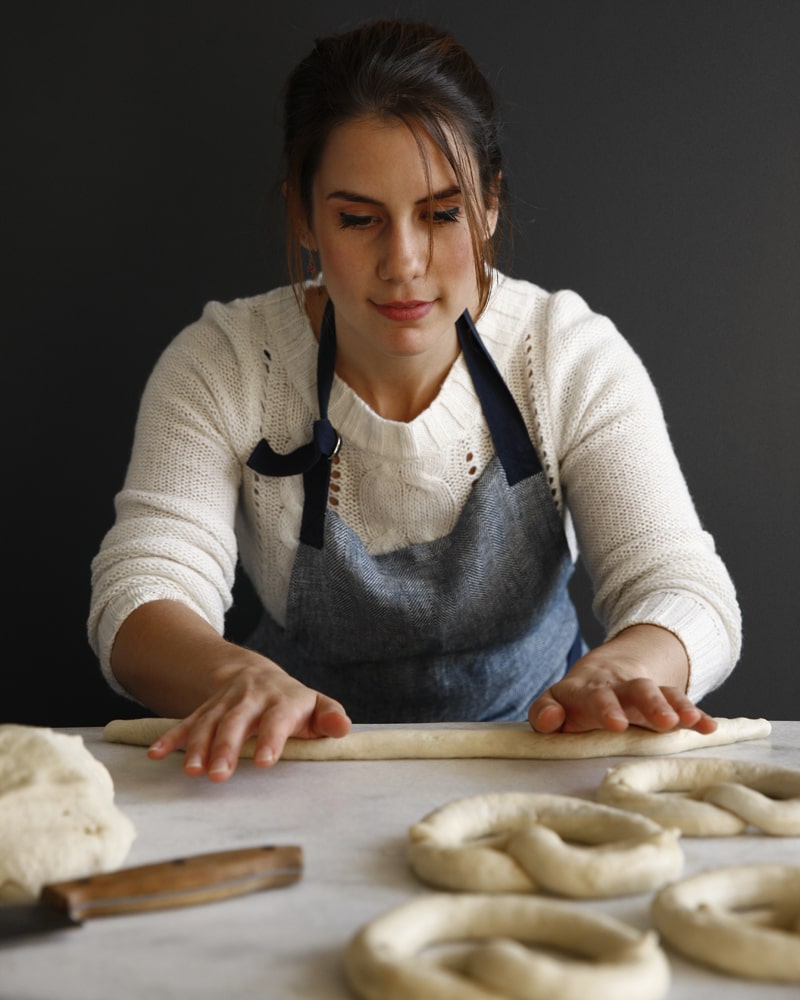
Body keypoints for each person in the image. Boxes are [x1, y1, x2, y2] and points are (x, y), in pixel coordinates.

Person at [88, 18, 741, 782]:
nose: (404, 263)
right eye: (359, 219)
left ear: (489, 206)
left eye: (441, 214)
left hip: (535, 761)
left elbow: (685, 587)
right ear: (304, 218)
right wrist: (229, 678)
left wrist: (629, 663)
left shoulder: (566, 355)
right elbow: (138, 593)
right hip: (288, 768)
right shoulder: (226, 363)